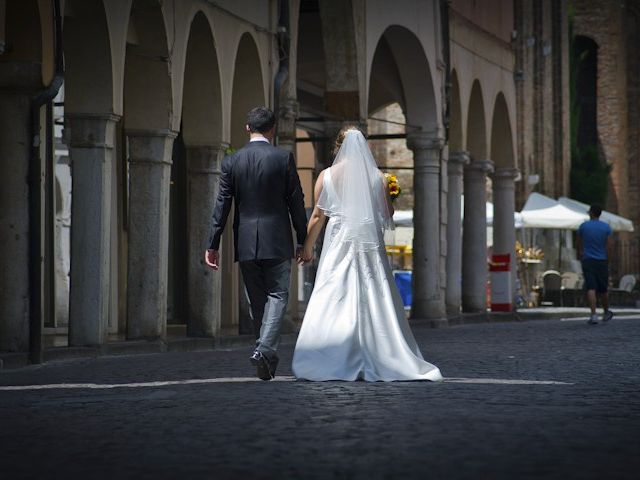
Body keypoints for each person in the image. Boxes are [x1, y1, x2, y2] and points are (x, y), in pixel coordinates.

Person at [292, 127, 443, 382]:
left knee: (335, 291)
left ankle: (329, 354)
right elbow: (387, 214)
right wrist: (390, 195)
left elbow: (318, 216)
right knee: (373, 292)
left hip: (339, 241)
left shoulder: (327, 175)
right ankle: (381, 352)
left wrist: (306, 246)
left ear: (338, 147)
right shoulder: (378, 178)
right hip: (369, 242)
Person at [205, 107, 307, 381]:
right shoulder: (283, 157)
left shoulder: (232, 162)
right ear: (273, 129)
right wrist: (303, 238)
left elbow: (222, 204)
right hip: (277, 238)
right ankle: (263, 349)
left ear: (247, 128)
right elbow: (296, 201)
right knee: (278, 295)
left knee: (257, 299)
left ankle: (266, 356)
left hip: (246, 239)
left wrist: (212, 243)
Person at [576, 204, 614, 325]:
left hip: (588, 260)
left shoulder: (583, 226)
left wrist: (581, 253)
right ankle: (606, 312)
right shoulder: (606, 227)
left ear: (591, 213)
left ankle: (593, 315)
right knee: (603, 288)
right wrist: (608, 259)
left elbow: (579, 243)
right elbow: (609, 245)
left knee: (591, 287)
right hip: (601, 260)